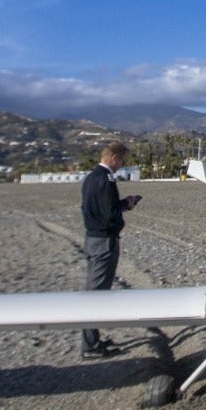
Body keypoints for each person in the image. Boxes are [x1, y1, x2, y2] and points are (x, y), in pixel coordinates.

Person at [79, 142, 141, 359]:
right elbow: (109, 213)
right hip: (104, 242)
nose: (121, 166)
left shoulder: (90, 177)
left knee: (95, 290)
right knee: (96, 294)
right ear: (114, 158)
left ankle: (92, 339)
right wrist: (127, 204)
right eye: (122, 161)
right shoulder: (105, 180)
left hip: (92, 238)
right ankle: (90, 346)